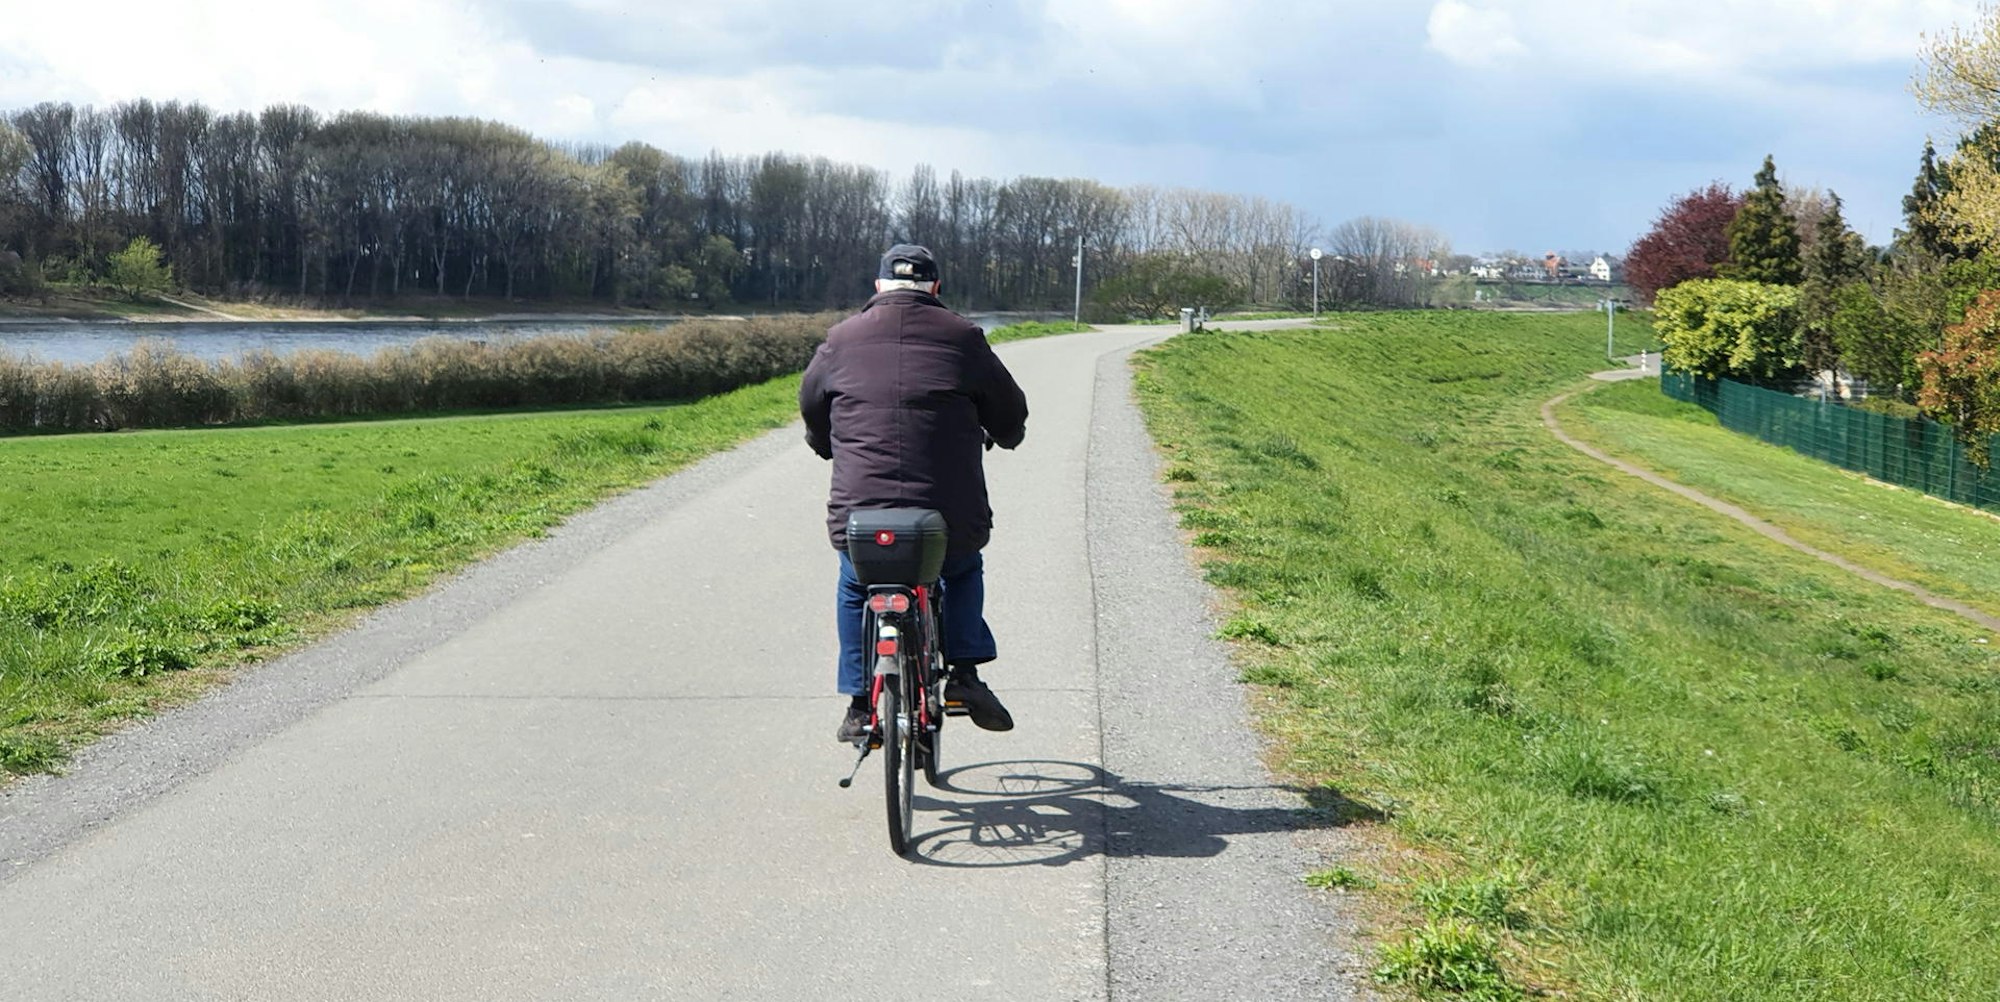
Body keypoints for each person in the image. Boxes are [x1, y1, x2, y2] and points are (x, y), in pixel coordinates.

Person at [800, 244, 1028, 743]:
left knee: (855, 585)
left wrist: (827, 445)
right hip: (946, 517)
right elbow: (1009, 415)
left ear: (878, 287)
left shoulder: (839, 340)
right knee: (962, 568)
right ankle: (965, 675)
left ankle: (859, 705)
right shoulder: (965, 338)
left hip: (861, 515)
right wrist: (1006, 435)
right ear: (936, 289)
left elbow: (813, 408)